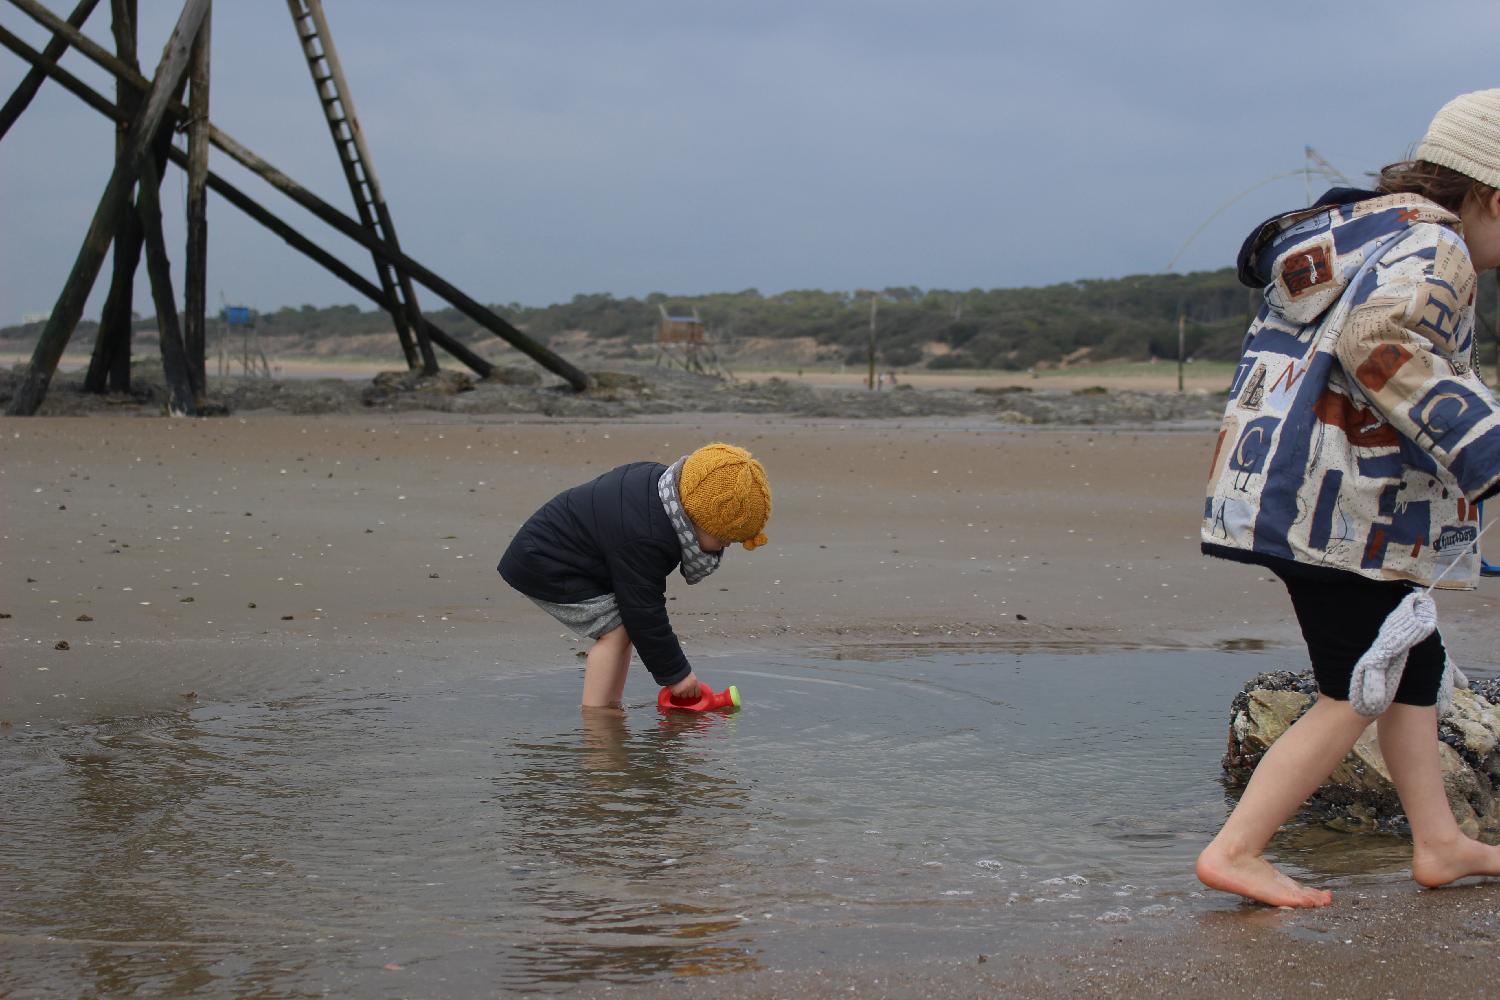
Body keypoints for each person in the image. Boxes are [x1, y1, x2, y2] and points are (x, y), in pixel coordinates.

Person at [1197, 89, 1500, 907]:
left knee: (1412, 667)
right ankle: (1238, 848)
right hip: (1338, 514)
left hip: (1295, 495)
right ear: (1493, 197)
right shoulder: (1437, 246)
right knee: (1354, 690)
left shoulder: (1363, 231)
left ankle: (1439, 842)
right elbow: (1382, 343)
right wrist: (1488, 449)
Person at [499, 442, 771, 709]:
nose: (725, 546)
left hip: (571, 553)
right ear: (695, 519)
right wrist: (677, 674)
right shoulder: (648, 537)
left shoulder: (661, 488)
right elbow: (644, 610)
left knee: (622, 626)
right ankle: (597, 722)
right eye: (724, 539)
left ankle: (611, 705)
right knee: (616, 631)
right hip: (545, 561)